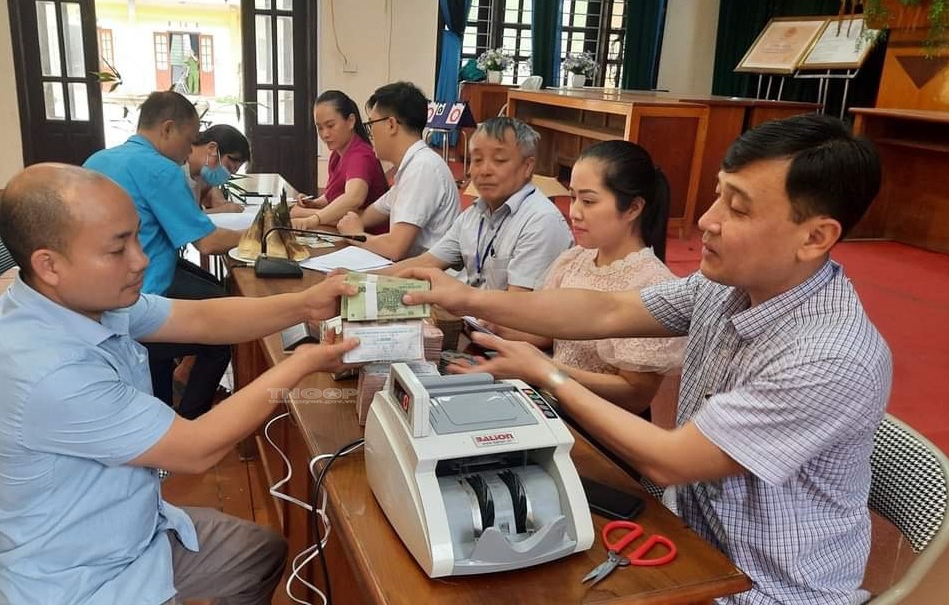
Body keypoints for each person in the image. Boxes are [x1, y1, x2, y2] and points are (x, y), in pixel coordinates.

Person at [401, 113, 891, 604]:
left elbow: (669, 461)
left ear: (815, 237)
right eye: (719, 193)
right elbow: (609, 308)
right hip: (690, 536)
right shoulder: (725, 287)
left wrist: (546, 373)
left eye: (737, 209)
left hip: (764, 588)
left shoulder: (829, 357)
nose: (707, 219)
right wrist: (468, 299)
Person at [0, 163, 359, 605]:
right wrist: (301, 363)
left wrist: (306, 304)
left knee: (259, 553)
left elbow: (198, 317)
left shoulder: (75, 302)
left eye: (137, 237)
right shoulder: (50, 371)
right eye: (117, 249)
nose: (140, 260)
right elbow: (197, 447)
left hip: (127, 528)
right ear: (50, 265)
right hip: (82, 577)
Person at [484, 139, 683, 415]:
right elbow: (549, 333)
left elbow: (634, 395)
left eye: (588, 201)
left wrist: (548, 370)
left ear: (633, 208)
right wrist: (495, 327)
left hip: (603, 425)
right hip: (555, 402)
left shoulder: (654, 286)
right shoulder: (574, 259)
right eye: (573, 197)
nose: (574, 212)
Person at [84, 91, 242, 418]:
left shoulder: (97, 160)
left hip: (95, 296)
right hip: (138, 297)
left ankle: (165, 390)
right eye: (188, 140)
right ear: (167, 129)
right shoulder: (161, 170)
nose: (188, 152)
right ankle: (191, 423)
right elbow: (208, 244)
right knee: (223, 336)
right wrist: (258, 235)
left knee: (214, 288)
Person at [381, 117, 572, 291]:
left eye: (499, 160)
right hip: (473, 317)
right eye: (477, 160)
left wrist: (456, 297)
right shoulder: (474, 214)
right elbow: (426, 262)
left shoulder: (541, 222)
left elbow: (518, 306)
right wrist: (359, 278)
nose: (484, 171)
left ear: (527, 166)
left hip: (503, 325)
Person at [335, 81, 459, 261]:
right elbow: (364, 217)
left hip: (431, 280)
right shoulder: (411, 167)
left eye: (371, 124)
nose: (370, 134)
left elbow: (395, 248)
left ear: (391, 125)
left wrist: (355, 234)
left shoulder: (422, 168)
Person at [290, 90, 388, 230]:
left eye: (330, 126)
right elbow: (331, 197)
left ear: (351, 121)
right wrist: (314, 203)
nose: (325, 134)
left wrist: (311, 218)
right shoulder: (337, 154)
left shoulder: (360, 155)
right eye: (320, 128)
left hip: (369, 237)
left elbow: (353, 198)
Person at [186, 124, 251, 214]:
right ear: (212, 148)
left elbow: (208, 188)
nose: (226, 175)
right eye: (228, 167)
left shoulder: (198, 172)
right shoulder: (174, 169)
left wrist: (218, 200)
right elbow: (180, 219)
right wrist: (220, 211)